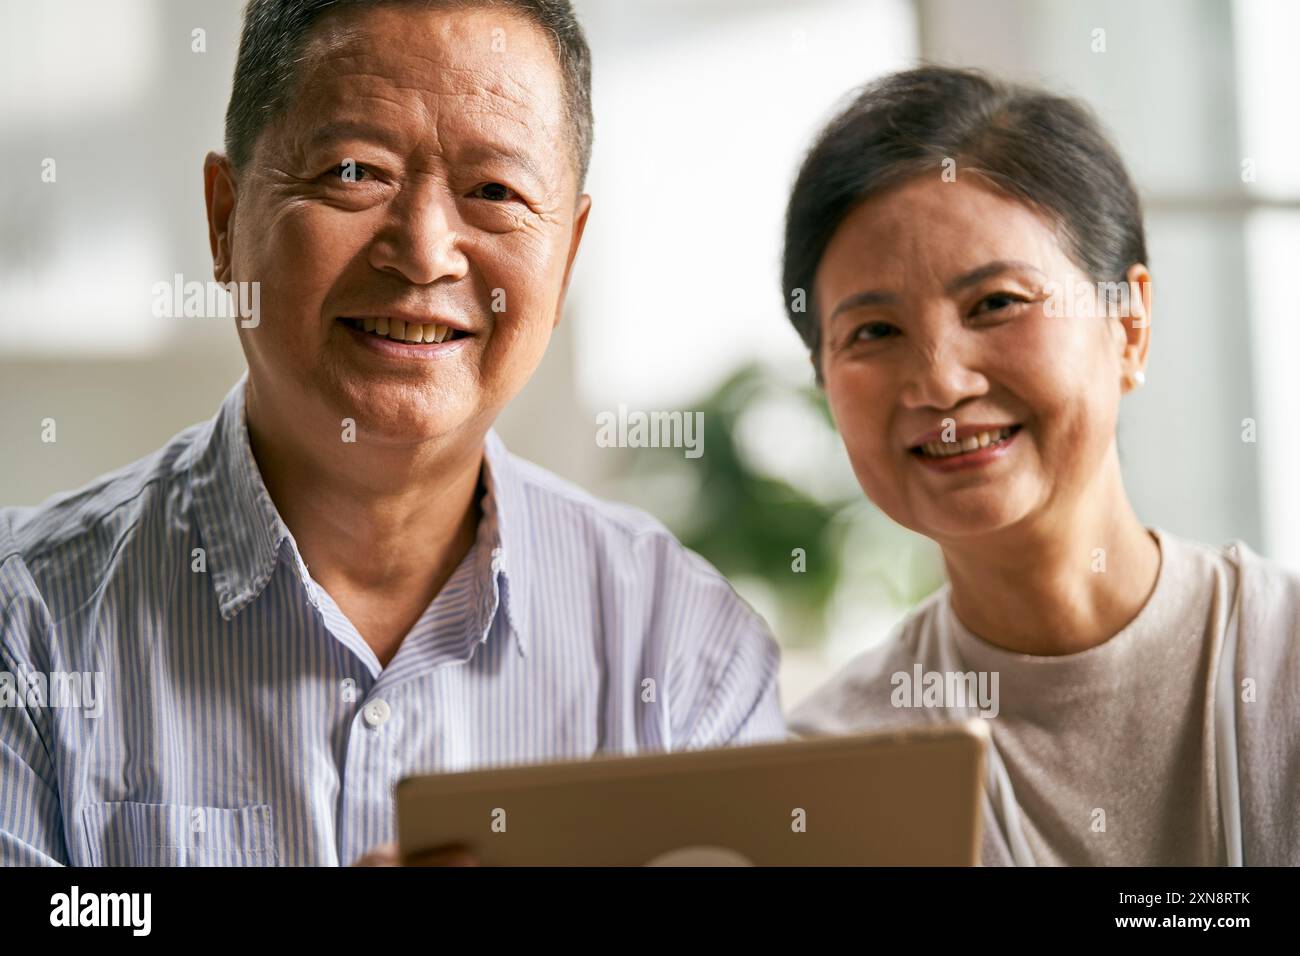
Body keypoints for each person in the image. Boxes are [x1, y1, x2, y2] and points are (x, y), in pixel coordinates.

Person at [0, 0, 783, 867]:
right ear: (224, 219)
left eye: (496, 192)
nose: (423, 251)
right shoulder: (29, 623)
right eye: (353, 171)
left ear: (566, 260)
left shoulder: (682, 648)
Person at [782, 66, 1300, 865]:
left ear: (1128, 328)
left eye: (996, 304)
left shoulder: (1281, 661)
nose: (941, 383)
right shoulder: (828, 770)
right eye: (874, 333)